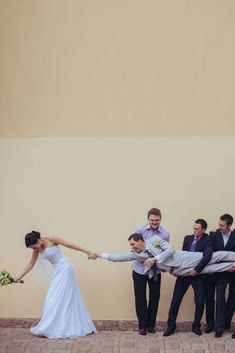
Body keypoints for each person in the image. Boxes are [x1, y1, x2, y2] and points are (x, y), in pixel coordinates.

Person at [14, 231, 97, 339]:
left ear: (39, 240)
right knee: (52, 298)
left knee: (59, 298)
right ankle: (56, 327)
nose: (35, 250)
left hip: (66, 268)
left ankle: (62, 328)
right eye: (33, 248)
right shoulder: (37, 249)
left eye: (35, 247)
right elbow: (31, 264)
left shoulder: (51, 239)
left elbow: (69, 244)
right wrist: (19, 277)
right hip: (57, 271)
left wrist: (87, 251)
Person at [98, 233, 235, 280]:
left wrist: (155, 259)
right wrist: (99, 255)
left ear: (140, 240)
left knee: (215, 257)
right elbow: (118, 258)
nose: (132, 247)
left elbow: (170, 250)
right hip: (177, 271)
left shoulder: (154, 240)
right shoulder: (136, 255)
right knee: (212, 269)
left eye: (133, 244)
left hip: (183, 258)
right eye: (131, 245)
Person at [163, 219, 213, 337]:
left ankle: (196, 326)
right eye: (193, 228)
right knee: (175, 300)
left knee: (200, 302)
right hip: (184, 275)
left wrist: (196, 270)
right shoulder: (187, 238)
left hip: (198, 276)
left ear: (203, 230)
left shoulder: (208, 240)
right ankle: (171, 326)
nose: (194, 231)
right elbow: (182, 257)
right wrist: (176, 270)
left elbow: (207, 257)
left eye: (196, 229)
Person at [132, 208, 169, 335]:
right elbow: (134, 247)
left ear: (160, 219)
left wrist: (159, 264)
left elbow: (165, 252)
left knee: (154, 297)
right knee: (140, 297)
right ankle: (142, 326)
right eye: (152, 220)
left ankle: (151, 325)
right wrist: (143, 260)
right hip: (139, 269)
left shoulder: (164, 234)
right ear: (148, 219)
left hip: (155, 270)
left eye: (157, 220)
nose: (154, 222)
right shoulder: (140, 229)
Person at [205, 214, 235, 338]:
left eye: (222, 225)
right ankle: (219, 327)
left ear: (229, 225)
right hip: (220, 273)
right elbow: (209, 251)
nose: (220, 227)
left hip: (234, 272)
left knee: (233, 299)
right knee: (220, 298)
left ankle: (226, 322)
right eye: (219, 224)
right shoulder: (213, 235)